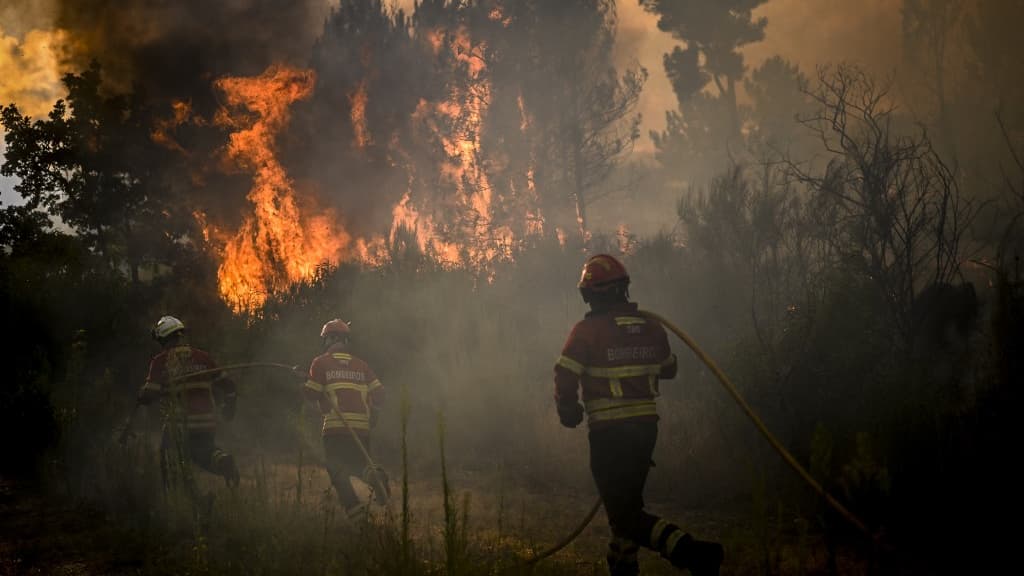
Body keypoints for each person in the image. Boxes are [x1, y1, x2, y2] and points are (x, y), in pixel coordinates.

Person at [553, 254, 724, 576]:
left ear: (590, 294)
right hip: (645, 432)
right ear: (624, 290)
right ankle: (623, 568)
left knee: (624, 515)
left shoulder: (587, 330)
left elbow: (565, 373)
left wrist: (568, 409)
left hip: (609, 435)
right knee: (628, 505)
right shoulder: (651, 326)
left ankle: (692, 552)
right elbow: (669, 369)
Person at [138, 315, 239, 489]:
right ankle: (223, 462)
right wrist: (229, 405)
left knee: (169, 459)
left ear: (162, 338)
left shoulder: (161, 361)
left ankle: (177, 497)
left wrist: (143, 395)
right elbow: (229, 385)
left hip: (178, 424)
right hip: (207, 422)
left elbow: (149, 395)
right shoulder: (203, 357)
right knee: (205, 453)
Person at [300, 319, 386, 518]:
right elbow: (380, 394)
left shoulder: (320, 362)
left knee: (337, 470)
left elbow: (312, 394)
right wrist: (375, 412)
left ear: (331, 339)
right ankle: (373, 476)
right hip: (362, 429)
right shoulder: (361, 365)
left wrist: (302, 382)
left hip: (335, 429)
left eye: (325, 339)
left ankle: (356, 514)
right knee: (358, 464)